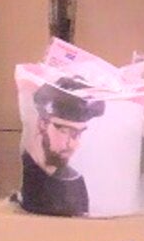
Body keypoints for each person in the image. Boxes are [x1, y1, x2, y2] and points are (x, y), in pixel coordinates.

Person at [20, 77, 106, 216]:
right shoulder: (24, 171)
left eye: (78, 133)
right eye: (64, 130)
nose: (72, 144)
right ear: (42, 124)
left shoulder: (74, 182)